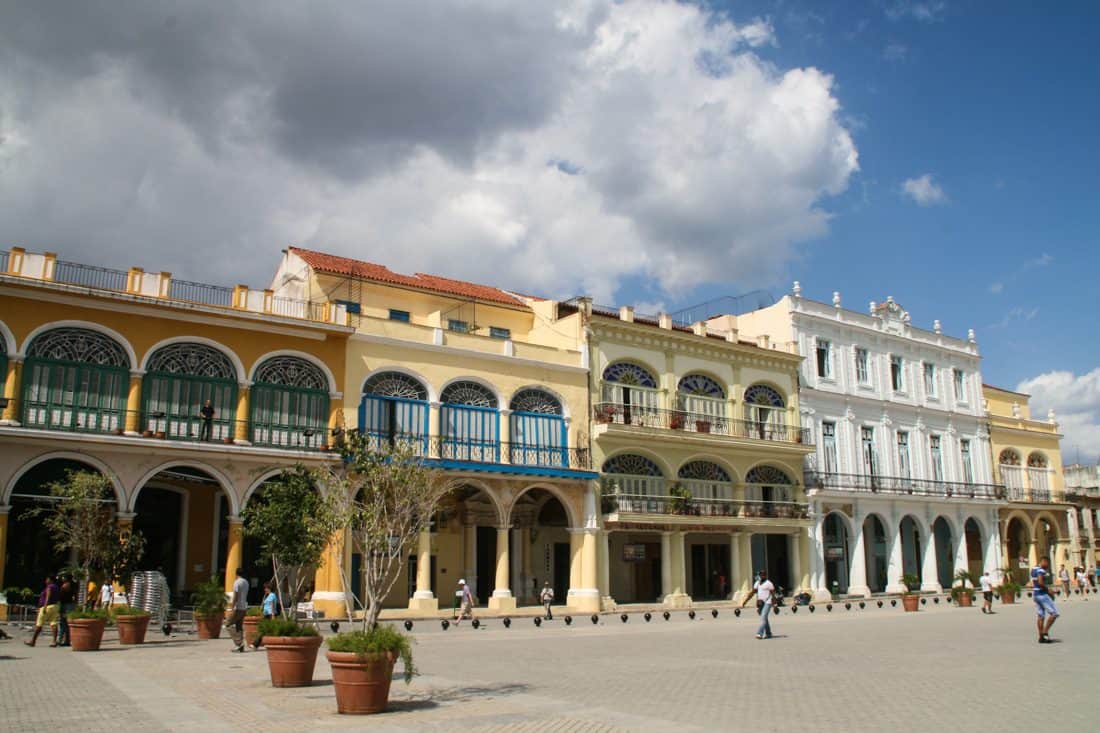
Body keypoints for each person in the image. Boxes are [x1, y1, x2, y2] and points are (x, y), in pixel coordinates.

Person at [25, 575, 60, 647]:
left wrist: (44, 607)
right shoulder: (56, 587)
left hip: (47, 606)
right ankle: (54, 641)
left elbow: (48, 596)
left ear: (51, 580)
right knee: (53, 623)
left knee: (39, 624)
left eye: (47, 579)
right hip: (55, 606)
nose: (46, 581)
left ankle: (33, 641)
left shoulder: (49, 587)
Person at [1031, 556, 1060, 644]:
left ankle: (1041, 637)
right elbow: (1040, 582)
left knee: (1041, 616)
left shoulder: (1033, 569)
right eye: (1047, 564)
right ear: (1044, 562)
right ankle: (1045, 632)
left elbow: (1035, 582)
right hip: (1042, 594)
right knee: (1054, 614)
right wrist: (1049, 591)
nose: (1047, 566)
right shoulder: (1041, 570)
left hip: (1036, 594)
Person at [739, 569, 775, 640]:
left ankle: (759, 633)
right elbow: (752, 593)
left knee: (763, 617)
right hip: (760, 603)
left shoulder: (769, 583)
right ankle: (768, 633)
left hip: (768, 602)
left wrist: (775, 605)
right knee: (765, 618)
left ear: (766, 575)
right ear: (759, 575)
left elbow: (773, 595)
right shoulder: (757, 583)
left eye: (764, 574)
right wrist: (745, 601)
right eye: (761, 574)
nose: (762, 576)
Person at [226, 568, 249, 653]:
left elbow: (236, 595)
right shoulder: (246, 582)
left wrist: (232, 607)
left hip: (238, 607)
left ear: (236, 574)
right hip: (244, 606)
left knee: (228, 624)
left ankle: (239, 643)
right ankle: (239, 646)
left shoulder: (237, 582)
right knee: (239, 626)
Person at [57, 574, 76, 647]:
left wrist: (59, 607)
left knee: (62, 623)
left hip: (64, 606)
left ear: (66, 578)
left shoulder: (64, 586)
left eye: (63, 577)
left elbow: (61, 597)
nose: (62, 578)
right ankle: (67, 640)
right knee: (68, 624)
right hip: (71, 605)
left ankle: (60, 639)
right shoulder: (73, 585)